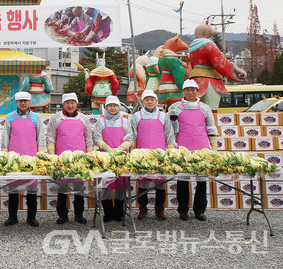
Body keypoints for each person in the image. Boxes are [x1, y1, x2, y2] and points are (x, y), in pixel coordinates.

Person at [167, 79, 219, 221]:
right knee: (183, 179)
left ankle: (199, 210)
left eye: (193, 90)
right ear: (183, 92)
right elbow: (170, 128)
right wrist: (171, 145)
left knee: (201, 180)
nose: (190, 92)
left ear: (197, 91)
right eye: (187, 90)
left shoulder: (205, 108)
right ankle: (183, 210)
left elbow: (211, 127)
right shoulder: (176, 108)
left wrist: (214, 146)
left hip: (202, 147)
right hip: (183, 146)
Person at [123, 90, 176, 220]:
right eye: (147, 99)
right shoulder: (136, 116)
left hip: (160, 155)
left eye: (152, 99)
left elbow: (169, 135)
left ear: (156, 101)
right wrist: (130, 149)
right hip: (142, 154)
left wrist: (170, 150)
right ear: (143, 102)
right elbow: (132, 134)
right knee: (142, 183)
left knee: (160, 183)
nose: (150, 102)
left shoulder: (164, 116)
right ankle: (143, 208)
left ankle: (159, 209)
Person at [46, 93, 92, 225]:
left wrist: (89, 155)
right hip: (62, 159)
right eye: (67, 103)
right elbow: (50, 137)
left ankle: (79, 214)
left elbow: (88, 138)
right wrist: (52, 155)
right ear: (63, 104)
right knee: (62, 188)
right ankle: (62, 215)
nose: (70, 105)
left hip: (80, 159)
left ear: (76, 104)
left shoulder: (84, 119)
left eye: (73, 102)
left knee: (79, 187)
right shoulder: (56, 118)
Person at [2, 91, 46, 227]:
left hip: (31, 157)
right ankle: (12, 217)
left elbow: (40, 136)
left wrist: (40, 153)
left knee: (32, 190)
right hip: (13, 158)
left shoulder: (36, 117)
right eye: (20, 101)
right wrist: (5, 154)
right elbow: (5, 137)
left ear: (29, 102)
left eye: (25, 101)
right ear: (16, 102)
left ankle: (31, 217)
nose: (23, 103)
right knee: (13, 190)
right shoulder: (10, 117)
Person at [93, 95, 129, 222]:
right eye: (110, 106)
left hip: (121, 159)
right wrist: (108, 149)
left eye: (115, 106)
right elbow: (97, 137)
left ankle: (119, 213)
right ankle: (107, 214)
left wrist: (119, 150)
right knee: (106, 187)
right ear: (106, 107)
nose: (112, 108)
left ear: (119, 107)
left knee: (120, 186)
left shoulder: (125, 121)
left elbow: (130, 138)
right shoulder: (100, 122)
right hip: (105, 158)